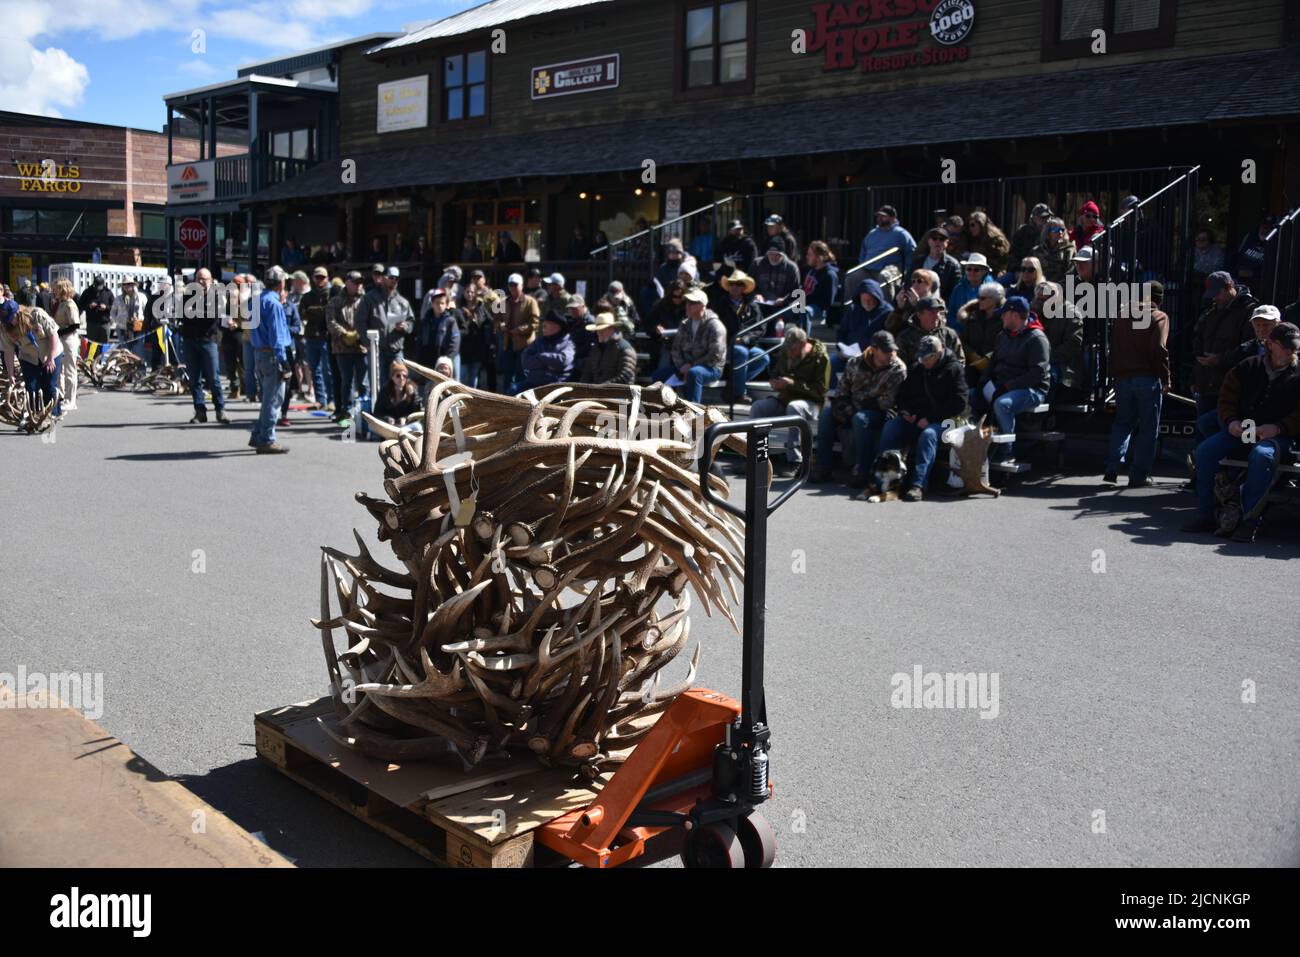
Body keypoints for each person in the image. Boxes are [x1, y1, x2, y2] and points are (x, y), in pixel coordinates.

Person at [1182, 322, 1300, 542]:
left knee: (1261, 456)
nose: (1291, 351)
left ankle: (1250, 520)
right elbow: (1226, 399)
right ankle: (1206, 513)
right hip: (1243, 429)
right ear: (1271, 344)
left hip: (1279, 435)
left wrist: (1279, 427)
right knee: (1205, 451)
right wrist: (1231, 421)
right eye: (1286, 346)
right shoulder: (1247, 366)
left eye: (1294, 346)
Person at [878, 334, 969, 501]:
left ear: (936, 355)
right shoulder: (919, 368)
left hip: (948, 421)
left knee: (929, 435)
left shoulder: (954, 369)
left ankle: (918, 485)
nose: (922, 360)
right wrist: (906, 411)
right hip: (918, 418)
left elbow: (959, 403)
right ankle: (882, 478)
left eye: (926, 357)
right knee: (892, 427)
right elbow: (903, 395)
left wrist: (930, 418)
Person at [814, 329, 907, 487]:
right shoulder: (855, 362)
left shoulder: (897, 368)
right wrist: (841, 406)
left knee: (860, 418)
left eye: (892, 350)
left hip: (881, 412)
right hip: (853, 405)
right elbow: (842, 390)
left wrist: (853, 407)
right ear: (874, 349)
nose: (891, 354)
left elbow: (886, 402)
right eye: (886, 351)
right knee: (826, 414)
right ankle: (823, 467)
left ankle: (862, 471)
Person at [1104, 281, 1170, 488]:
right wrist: (1166, 378)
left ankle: (1112, 467)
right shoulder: (1158, 316)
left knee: (1123, 423)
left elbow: (1113, 347)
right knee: (1148, 428)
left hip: (1122, 377)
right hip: (1147, 377)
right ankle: (1138, 474)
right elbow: (1159, 350)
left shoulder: (1122, 316)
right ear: (1158, 299)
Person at [975, 296, 1051, 464]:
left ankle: (1006, 452)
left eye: (1004, 314)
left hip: (1032, 390)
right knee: (973, 396)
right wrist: (984, 381)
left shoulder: (1037, 339)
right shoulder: (1003, 335)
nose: (1001, 317)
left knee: (1003, 404)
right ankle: (977, 447)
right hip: (1003, 385)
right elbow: (994, 362)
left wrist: (1009, 386)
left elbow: (1037, 373)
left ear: (1015, 316)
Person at [749, 327, 829, 475]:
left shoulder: (820, 357)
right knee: (758, 407)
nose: (790, 352)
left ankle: (795, 461)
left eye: (794, 348)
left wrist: (791, 384)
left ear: (804, 343)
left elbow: (820, 390)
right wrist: (774, 381)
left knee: (794, 408)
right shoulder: (786, 353)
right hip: (785, 398)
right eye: (788, 348)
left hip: (810, 403)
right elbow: (776, 372)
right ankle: (757, 457)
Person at [1191, 271, 1258, 434]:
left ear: (1229, 287)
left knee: (1221, 432)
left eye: (1217, 294)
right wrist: (1195, 378)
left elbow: (1250, 347)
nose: (1215, 298)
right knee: (1204, 429)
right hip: (1206, 383)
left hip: (1228, 385)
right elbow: (1198, 340)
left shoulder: (1249, 310)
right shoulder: (1212, 311)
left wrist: (1220, 360)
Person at [651, 287, 726, 403]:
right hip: (686, 366)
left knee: (694, 373)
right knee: (658, 375)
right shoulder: (685, 324)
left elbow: (715, 355)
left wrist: (691, 366)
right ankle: (665, 408)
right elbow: (676, 350)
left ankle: (693, 412)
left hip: (712, 368)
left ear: (702, 305)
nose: (688, 305)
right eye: (687, 302)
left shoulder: (715, 326)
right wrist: (682, 367)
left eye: (692, 303)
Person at [249, 267, 292, 453]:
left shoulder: (256, 300)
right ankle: (266, 438)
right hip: (272, 354)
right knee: (274, 398)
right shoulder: (274, 304)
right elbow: (276, 335)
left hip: (259, 352)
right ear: (281, 283)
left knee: (269, 397)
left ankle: (259, 434)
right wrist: (283, 359)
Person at [181, 268, 230, 425]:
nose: (201, 281)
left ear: (211, 280)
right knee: (194, 379)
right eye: (198, 278)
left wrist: (194, 312)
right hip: (190, 340)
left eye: (204, 279)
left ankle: (220, 410)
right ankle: (200, 411)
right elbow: (183, 314)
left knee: (214, 378)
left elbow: (211, 315)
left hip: (208, 340)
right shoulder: (188, 294)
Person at [1, 300, 64, 422]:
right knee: (31, 387)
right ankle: (33, 416)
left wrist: (51, 358)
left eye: (10, 318)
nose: (8, 322)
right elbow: (8, 352)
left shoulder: (37, 315)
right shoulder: (5, 327)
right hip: (28, 357)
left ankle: (52, 414)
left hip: (50, 352)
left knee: (49, 385)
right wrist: (10, 375)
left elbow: (53, 335)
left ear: (18, 313)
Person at [716, 270, 770, 403]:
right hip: (725, 346)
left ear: (744, 288)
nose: (734, 287)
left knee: (763, 357)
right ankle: (740, 394)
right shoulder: (720, 304)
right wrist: (733, 340)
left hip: (748, 344)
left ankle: (733, 385)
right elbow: (715, 327)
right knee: (740, 352)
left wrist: (745, 339)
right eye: (732, 284)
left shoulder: (752, 305)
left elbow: (761, 328)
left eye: (739, 284)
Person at [327, 271, 367, 428]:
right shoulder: (335, 301)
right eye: (355, 282)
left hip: (362, 347)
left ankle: (364, 413)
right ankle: (346, 412)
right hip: (342, 348)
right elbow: (330, 322)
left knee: (364, 383)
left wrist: (359, 333)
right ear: (347, 282)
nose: (359, 285)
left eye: (360, 282)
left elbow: (370, 319)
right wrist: (344, 334)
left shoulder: (365, 301)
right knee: (346, 382)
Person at [1034, 280, 1084, 401]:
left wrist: (1045, 358)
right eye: (1040, 298)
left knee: (1045, 376)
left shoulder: (1071, 313)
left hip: (1064, 365)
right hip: (1037, 361)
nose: (1043, 301)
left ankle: (1044, 414)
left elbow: (1073, 345)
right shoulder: (1033, 311)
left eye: (1048, 297)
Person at [360, 265, 414, 376]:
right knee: (378, 387)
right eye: (391, 277)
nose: (393, 280)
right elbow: (360, 322)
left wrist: (405, 327)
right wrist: (367, 342)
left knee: (398, 384)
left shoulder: (403, 302)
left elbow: (411, 322)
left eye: (396, 278)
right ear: (384, 278)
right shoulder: (369, 298)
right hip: (376, 350)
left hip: (396, 351)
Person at [836, 278, 893, 381]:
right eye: (864, 300)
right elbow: (841, 332)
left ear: (877, 298)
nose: (867, 303)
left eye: (870, 300)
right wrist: (841, 350)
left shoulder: (887, 312)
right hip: (849, 355)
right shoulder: (853, 310)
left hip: (874, 357)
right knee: (833, 362)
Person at [958, 282, 1006, 388]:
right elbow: (962, 341)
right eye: (978, 297)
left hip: (996, 367)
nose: (979, 300)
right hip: (972, 365)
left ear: (994, 300)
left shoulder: (1005, 320)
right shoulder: (973, 317)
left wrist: (988, 359)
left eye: (982, 298)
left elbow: (1006, 344)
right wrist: (972, 355)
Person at [497, 273, 539, 393]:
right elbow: (497, 319)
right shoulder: (503, 302)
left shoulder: (531, 302)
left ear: (521, 285)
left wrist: (519, 330)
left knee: (523, 375)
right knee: (507, 374)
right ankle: (506, 400)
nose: (512, 287)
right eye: (510, 285)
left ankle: (523, 402)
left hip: (524, 345)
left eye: (515, 285)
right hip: (508, 343)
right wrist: (501, 325)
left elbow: (535, 322)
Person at [897, 296, 965, 368]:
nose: (936, 316)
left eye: (938, 312)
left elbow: (960, 361)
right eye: (932, 313)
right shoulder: (905, 338)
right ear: (919, 315)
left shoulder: (949, 334)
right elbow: (901, 366)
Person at [300, 266, 333, 411]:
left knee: (328, 370)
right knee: (314, 370)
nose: (320, 280)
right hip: (311, 336)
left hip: (326, 337)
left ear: (327, 278)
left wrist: (313, 311)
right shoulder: (307, 296)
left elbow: (329, 314)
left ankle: (332, 400)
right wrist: (317, 312)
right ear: (313, 278)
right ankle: (320, 399)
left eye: (322, 277)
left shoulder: (332, 294)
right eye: (317, 277)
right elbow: (302, 314)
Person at [517, 310, 575, 392]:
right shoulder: (539, 341)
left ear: (557, 327)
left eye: (546, 324)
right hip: (534, 383)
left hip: (556, 386)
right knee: (513, 391)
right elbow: (525, 359)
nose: (543, 326)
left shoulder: (567, 342)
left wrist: (540, 356)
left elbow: (563, 360)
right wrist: (547, 364)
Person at [579, 312, 638, 385]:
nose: (599, 333)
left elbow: (624, 378)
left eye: (602, 330)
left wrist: (600, 388)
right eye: (598, 330)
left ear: (611, 329)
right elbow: (587, 373)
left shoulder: (625, 349)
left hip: (620, 393)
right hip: (598, 392)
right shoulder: (596, 348)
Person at [417, 287, 461, 379]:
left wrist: (447, 359)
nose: (439, 306)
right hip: (427, 360)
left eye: (442, 303)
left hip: (443, 361)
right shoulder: (425, 321)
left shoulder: (450, 321)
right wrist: (419, 357)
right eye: (437, 303)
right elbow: (420, 340)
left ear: (446, 305)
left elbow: (455, 342)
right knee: (427, 387)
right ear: (432, 304)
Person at [457, 283, 495, 390]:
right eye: (467, 292)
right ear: (464, 293)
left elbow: (489, 321)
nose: (470, 294)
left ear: (475, 294)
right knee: (462, 377)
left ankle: (471, 402)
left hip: (477, 346)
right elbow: (456, 327)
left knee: (473, 378)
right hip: (463, 347)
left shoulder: (480, 307)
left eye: (472, 292)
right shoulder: (458, 308)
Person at [51, 279, 81, 413]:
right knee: (60, 370)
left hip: (68, 339)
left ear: (62, 289)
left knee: (70, 370)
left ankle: (71, 400)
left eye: (56, 288)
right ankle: (62, 396)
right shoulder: (60, 303)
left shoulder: (70, 304)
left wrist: (59, 332)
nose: (53, 291)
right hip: (60, 339)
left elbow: (75, 325)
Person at [858, 205, 915, 274]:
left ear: (893, 218)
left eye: (883, 216)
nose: (879, 218)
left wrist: (905, 270)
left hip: (889, 271)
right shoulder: (871, 233)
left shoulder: (901, 234)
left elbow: (911, 252)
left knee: (884, 276)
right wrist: (862, 265)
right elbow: (863, 251)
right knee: (852, 277)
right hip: (868, 269)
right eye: (878, 216)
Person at [751, 239, 801, 314]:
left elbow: (796, 291)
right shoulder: (757, 264)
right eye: (771, 254)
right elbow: (749, 286)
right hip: (760, 305)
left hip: (782, 307)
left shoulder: (791, 268)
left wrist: (784, 299)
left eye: (777, 254)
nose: (774, 257)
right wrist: (756, 295)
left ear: (783, 254)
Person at [911, 227, 961, 301]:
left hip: (939, 307)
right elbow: (908, 283)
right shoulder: (917, 261)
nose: (937, 241)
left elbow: (955, 292)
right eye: (934, 238)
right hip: (914, 304)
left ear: (947, 242)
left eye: (942, 239)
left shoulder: (953, 265)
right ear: (929, 241)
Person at [645, 279, 685, 371]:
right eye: (675, 296)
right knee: (664, 369)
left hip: (685, 345)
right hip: (666, 344)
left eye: (680, 297)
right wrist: (656, 328)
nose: (678, 299)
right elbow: (648, 324)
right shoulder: (660, 306)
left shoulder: (688, 306)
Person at [800, 241, 839, 330]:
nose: (807, 257)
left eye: (810, 255)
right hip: (804, 303)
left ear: (819, 257)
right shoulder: (811, 271)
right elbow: (804, 290)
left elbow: (827, 302)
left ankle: (804, 341)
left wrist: (806, 302)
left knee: (805, 311)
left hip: (819, 309)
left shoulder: (830, 275)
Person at [888, 269, 937, 336]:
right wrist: (899, 309)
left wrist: (917, 306)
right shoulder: (908, 302)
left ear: (929, 284)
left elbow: (930, 326)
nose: (915, 284)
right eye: (913, 281)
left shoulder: (935, 302)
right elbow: (890, 328)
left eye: (919, 281)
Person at [374, 360, 423, 426]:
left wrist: (406, 419)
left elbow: (417, 413)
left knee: (417, 426)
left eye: (404, 376)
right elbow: (377, 412)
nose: (401, 378)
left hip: (407, 426)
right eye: (398, 376)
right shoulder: (385, 390)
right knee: (372, 428)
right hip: (388, 426)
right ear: (392, 377)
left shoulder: (412, 390)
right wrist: (387, 419)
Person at [962, 211, 1011, 275]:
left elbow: (1002, 261)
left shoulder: (996, 239)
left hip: (994, 272)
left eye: (973, 225)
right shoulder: (973, 239)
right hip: (976, 272)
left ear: (981, 224)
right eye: (969, 226)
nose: (970, 228)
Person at [1031, 218, 1076, 285]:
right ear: (1048, 232)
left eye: (1062, 230)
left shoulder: (1069, 250)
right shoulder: (1037, 250)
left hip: (1061, 288)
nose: (1060, 232)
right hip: (1039, 286)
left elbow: (1071, 272)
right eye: (1055, 229)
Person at [947, 253, 994, 318]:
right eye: (969, 269)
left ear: (984, 272)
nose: (972, 272)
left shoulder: (990, 292)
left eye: (976, 270)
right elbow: (951, 314)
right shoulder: (958, 289)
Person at [1009, 204, 1053, 271]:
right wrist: (1018, 271)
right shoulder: (1023, 232)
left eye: (1049, 217)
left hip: (1052, 278)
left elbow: (1069, 272)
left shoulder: (1067, 248)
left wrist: (1069, 282)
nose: (1047, 221)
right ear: (1034, 218)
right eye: (1043, 218)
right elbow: (1013, 256)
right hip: (1024, 272)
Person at [1233, 215, 1274, 285]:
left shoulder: (1274, 244)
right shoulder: (1250, 237)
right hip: (1238, 278)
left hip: (1259, 282)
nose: (1264, 229)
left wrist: (1254, 274)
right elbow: (1237, 256)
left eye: (1268, 227)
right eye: (1263, 226)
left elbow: (1272, 269)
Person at [111, 277, 144, 356]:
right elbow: (113, 312)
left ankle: (138, 366)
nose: (127, 286)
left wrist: (141, 318)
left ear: (133, 285)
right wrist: (118, 321)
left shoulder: (141, 297)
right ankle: (126, 366)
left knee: (137, 349)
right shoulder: (118, 299)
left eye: (129, 284)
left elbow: (146, 310)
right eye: (125, 285)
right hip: (123, 327)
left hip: (137, 326)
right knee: (124, 349)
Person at [78, 275, 114, 346]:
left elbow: (114, 307)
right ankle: (92, 357)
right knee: (92, 345)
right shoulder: (87, 292)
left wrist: (106, 307)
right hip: (92, 324)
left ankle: (104, 357)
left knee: (104, 345)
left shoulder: (108, 292)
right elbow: (80, 305)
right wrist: (89, 306)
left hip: (104, 324)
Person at [565, 294, 596, 367]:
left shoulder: (590, 322)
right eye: (570, 308)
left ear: (583, 307)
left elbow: (588, 347)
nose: (572, 311)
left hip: (584, 361)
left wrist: (571, 354)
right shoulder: (572, 320)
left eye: (575, 308)